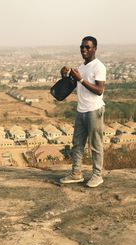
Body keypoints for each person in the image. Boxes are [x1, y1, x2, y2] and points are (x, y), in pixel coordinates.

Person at [60, 36, 106, 187]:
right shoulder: (83, 66)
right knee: (77, 144)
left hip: (94, 110)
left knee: (95, 144)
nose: (84, 49)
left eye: (87, 47)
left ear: (95, 49)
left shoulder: (99, 67)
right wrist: (65, 76)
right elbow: (74, 86)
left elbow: (99, 90)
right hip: (81, 110)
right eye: (82, 47)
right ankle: (76, 173)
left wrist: (80, 79)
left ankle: (97, 175)